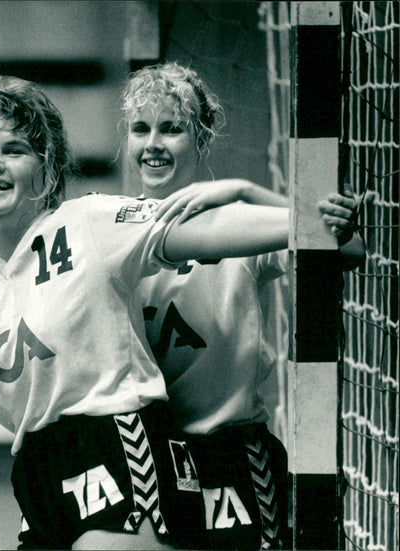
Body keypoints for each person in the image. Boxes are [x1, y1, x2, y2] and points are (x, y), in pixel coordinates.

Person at [0, 75, 295, 550]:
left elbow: (204, 232)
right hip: (37, 468)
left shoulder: (90, 223)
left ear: (46, 171)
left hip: (113, 442)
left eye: (15, 150)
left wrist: (298, 219)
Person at [122, 61, 365, 549]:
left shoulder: (239, 223)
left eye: (172, 129)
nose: (153, 144)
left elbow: (348, 249)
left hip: (233, 451)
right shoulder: (110, 225)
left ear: (202, 141)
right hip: (148, 451)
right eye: (140, 129)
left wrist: (243, 190)